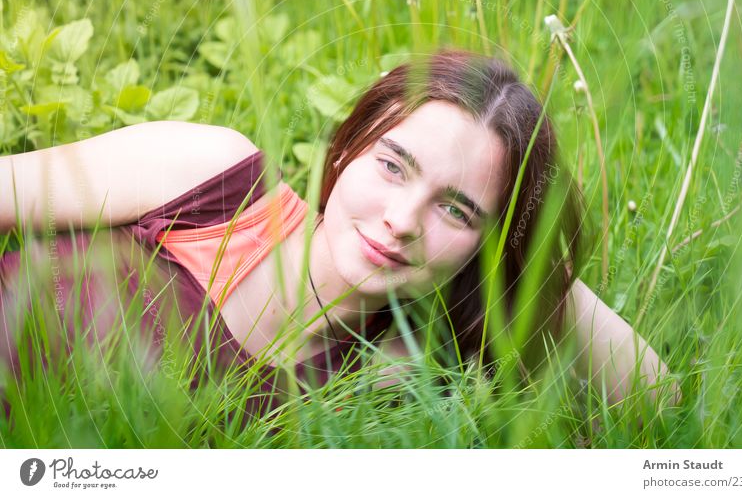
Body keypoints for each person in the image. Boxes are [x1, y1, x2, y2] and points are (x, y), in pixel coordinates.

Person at [0, 48, 678, 426]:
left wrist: (525, 251)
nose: (403, 218)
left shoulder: (387, 389)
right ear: (348, 145)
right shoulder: (207, 179)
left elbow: (656, 397)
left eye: (457, 210)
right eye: (392, 164)